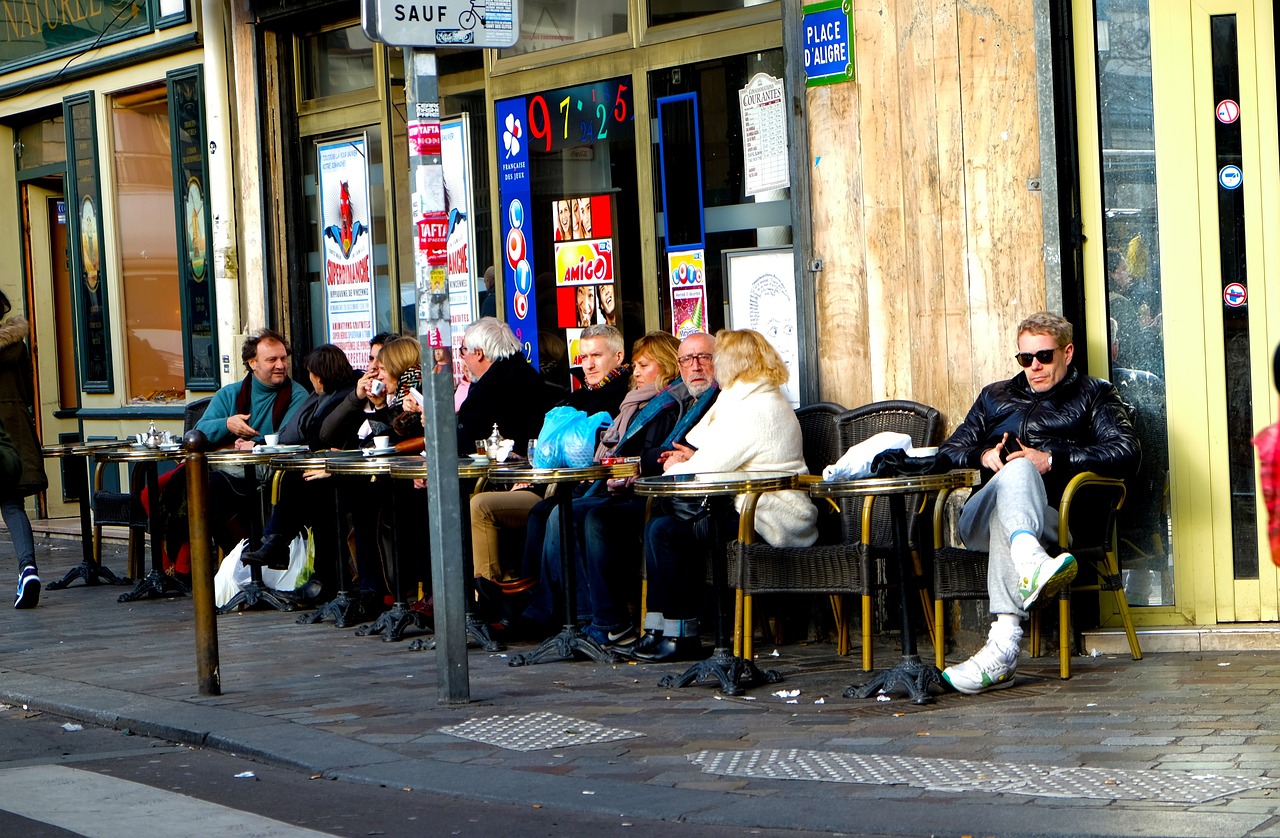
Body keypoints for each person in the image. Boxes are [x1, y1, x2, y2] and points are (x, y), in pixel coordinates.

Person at [937, 311, 1139, 694]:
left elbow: (1126, 452)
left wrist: (1051, 458)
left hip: (1054, 518)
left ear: (1068, 352)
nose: (1034, 367)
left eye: (1044, 356)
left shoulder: (1094, 394)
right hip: (977, 519)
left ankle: (1003, 648)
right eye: (1025, 359)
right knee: (1013, 472)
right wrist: (984, 456)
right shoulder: (994, 396)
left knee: (1018, 489)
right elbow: (951, 449)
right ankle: (1031, 563)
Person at [634, 329, 818, 662]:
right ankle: (660, 629)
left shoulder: (757, 407)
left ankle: (681, 636)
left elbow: (709, 467)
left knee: (666, 531)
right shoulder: (745, 398)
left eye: (717, 357)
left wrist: (676, 465)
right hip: (744, 504)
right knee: (661, 526)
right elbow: (714, 455)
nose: (712, 363)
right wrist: (692, 460)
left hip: (769, 518)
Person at [470, 324, 628, 584]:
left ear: (618, 357)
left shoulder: (621, 398)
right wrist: (529, 467)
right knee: (481, 503)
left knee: (542, 511)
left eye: (596, 356)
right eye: (583, 357)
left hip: (576, 489)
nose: (588, 365)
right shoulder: (575, 397)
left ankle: (529, 595)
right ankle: (493, 590)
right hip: (550, 484)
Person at [239, 345, 359, 572]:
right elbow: (294, 430)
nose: (310, 379)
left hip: (345, 474)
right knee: (297, 481)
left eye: (312, 374)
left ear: (321, 375)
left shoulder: (342, 397)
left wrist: (260, 443)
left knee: (307, 488)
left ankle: (279, 547)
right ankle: (277, 545)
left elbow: (320, 433)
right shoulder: (320, 396)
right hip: (325, 469)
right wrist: (261, 443)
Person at [0, 291, 47, 609]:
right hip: (11, 432)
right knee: (12, 505)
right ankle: (28, 569)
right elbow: (29, 393)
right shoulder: (16, 346)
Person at [195, 329, 309, 449]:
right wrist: (227, 424)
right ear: (252, 363)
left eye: (283, 359)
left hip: (273, 465)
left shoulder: (297, 395)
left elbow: (290, 436)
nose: (280, 365)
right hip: (227, 465)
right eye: (272, 360)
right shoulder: (228, 394)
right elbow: (198, 433)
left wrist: (257, 445)